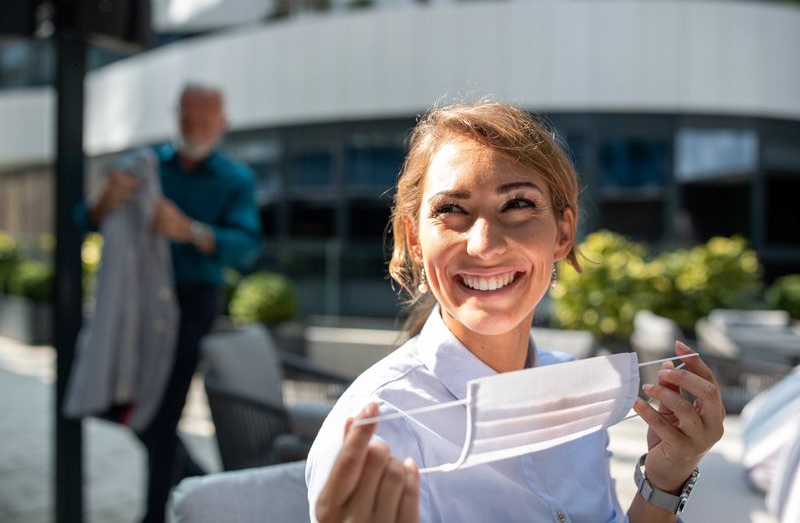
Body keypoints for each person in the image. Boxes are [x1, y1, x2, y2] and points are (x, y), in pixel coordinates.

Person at [305, 100, 725, 523]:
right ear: (414, 240)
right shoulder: (379, 430)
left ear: (563, 232)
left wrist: (665, 481)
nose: (485, 245)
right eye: (452, 210)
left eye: (518, 205)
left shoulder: (576, 389)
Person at [76, 84, 263, 523]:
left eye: (204, 122)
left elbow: (247, 246)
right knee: (111, 394)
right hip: (135, 301)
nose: (194, 129)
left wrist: (191, 231)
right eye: (187, 119)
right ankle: (198, 478)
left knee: (160, 415)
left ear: (223, 123)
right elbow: (81, 220)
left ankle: (156, 514)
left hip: (192, 306)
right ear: (175, 115)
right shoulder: (144, 168)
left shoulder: (235, 179)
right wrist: (103, 199)